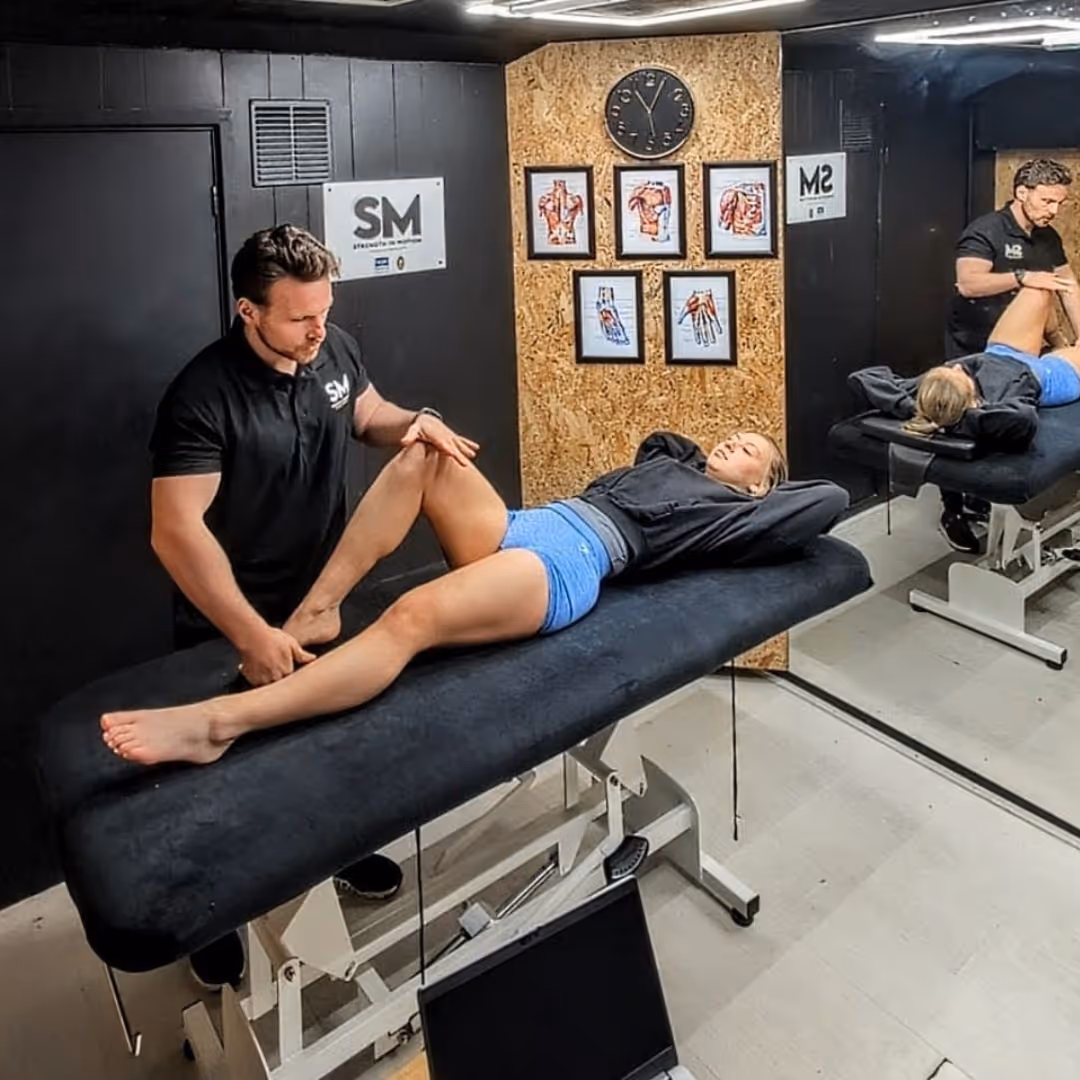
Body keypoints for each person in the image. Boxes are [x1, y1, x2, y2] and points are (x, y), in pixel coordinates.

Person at [101, 430, 847, 767]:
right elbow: (664, 443)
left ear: (762, 487)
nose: (733, 441)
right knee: (424, 452)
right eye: (734, 434)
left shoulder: (731, 517)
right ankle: (316, 612)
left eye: (752, 449)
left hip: (568, 563)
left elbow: (826, 500)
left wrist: (757, 492)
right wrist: (712, 457)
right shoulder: (678, 468)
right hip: (529, 521)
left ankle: (218, 724)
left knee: (411, 616)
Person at [149, 224, 476, 988]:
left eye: (325, 311)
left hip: (323, 594)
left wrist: (413, 423)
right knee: (226, 772)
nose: (318, 329)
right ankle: (215, 914)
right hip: (232, 618)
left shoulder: (332, 349)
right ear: (249, 311)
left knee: (329, 745)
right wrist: (249, 634)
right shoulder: (202, 395)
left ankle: (336, 851)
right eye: (300, 317)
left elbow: (368, 414)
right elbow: (174, 531)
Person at [940, 157, 1078, 551]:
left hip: (1019, 348)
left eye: (1060, 202)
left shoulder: (1047, 237)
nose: (1054, 210)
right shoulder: (986, 230)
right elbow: (968, 283)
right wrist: (1021, 276)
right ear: (1021, 193)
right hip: (975, 346)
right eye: (1047, 201)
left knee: (1006, 424)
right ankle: (953, 511)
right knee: (959, 426)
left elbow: (1069, 287)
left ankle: (989, 498)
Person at [850, 282, 1080, 454]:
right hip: (1049, 375)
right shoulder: (1000, 405)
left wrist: (920, 409)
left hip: (1002, 351)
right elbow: (1024, 421)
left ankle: (1059, 343)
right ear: (972, 401)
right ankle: (1067, 349)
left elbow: (863, 377)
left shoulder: (932, 392)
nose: (958, 366)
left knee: (1040, 286)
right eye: (959, 374)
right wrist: (963, 418)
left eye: (949, 368)